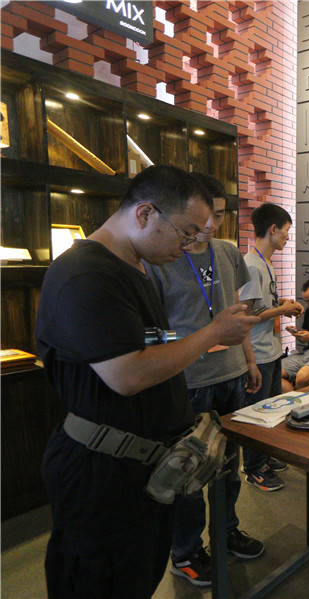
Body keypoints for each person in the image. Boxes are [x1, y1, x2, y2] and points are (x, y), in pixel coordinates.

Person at [35, 165, 259, 599]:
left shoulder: (132, 268)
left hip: (140, 474)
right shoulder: (87, 275)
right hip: (101, 477)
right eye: (186, 232)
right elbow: (128, 374)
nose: (191, 244)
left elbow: (156, 347)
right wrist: (212, 333)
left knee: (135, 578)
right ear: (144, 214)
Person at [146, 172, 265, 587]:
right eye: (208, 215)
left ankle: (227, 528)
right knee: (191, 472)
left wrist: (248, 359)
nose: (213, 224)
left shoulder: (228, 253)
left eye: (220, 215)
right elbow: (152, 333)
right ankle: (186, 551)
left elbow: (238, 314)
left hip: (231, 376)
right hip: (189, 381)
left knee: (229, 467)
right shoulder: (161, 258)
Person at [238, 202, 304, 491]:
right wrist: (280, 311)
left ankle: (264, 458)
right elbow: (246, 316)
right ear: (273, 229)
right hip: (259, 352)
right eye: (286, 232)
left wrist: (280, 305)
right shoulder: (251, 266)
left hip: (271, 350)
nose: (288, 238)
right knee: (258, 413)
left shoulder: (264, 262)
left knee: (271, 408)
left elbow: (262, 306)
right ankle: (253, 468)